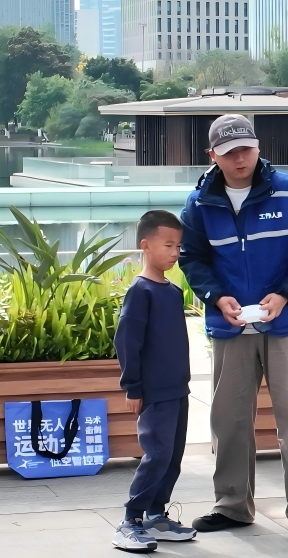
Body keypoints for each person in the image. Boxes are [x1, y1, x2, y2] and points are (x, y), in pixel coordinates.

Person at [179, 114, 288, 542]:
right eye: (229, 153)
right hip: (230, 328)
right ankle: (231, 506)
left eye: (245, 149)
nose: (239, 158)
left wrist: (286, 294)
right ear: (213, 155)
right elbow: (192, 258)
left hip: (286, 323)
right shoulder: (199, 203)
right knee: (228, 420)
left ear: (258, 147)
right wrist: (215, 296)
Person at [112, 210, 197, 552]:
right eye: (168, 245)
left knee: (173, 456)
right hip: (154, 392)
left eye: (178, 246)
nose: (175, 252)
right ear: (146, 245)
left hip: (178, 390)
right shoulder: (140, 291)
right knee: (157, 454)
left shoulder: (173, 292)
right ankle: (130, 520)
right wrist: (132, 387)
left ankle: (156, 515)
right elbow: (127, 341)